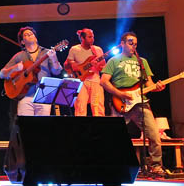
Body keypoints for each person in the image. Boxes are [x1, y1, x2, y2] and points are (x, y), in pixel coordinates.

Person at [100, 31, 166, 175]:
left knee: (154, 134)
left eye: (135, 44)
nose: (133, 46)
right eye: (130, 43)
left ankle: (156, 166)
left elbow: (150, 83)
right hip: (120, 103)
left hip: (140, 103)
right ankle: (111, 165)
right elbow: (104, 81)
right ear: (122, 44)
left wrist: (157, 87)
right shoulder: (114, 61)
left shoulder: (142, 61)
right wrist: (120, 94)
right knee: (113, 136)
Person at [0, 27, 63, 116]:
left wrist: (54, 58)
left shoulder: (47, 52)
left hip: (43, 96)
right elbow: (2, 74)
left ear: (36, 38)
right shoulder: (19, 56)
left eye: (31, 33)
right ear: (22, 42)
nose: (29, 34)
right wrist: (14, 68)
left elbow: (56, 71)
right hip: (25, 96)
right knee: (27, 127)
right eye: (26, 34)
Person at [64, 28, 106, 116]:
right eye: (90, 37)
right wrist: (72, 63)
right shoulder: (74, 49)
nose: (92, 39)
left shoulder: (97, 49)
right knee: (80, 108)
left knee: (98, 108)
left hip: (96, 81)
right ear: (82, 38)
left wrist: (97, 66)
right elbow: (66, 66)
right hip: (80, 82)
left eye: (93, 37)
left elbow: (103, 68)